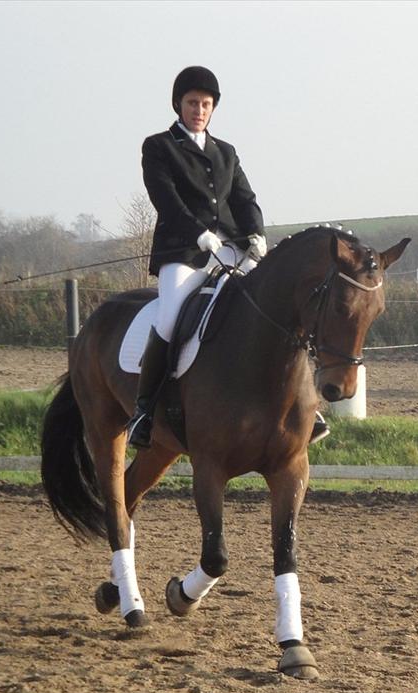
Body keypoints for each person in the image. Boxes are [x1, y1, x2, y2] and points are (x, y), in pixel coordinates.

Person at [128, 65, 329, 448]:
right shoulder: (159, 147)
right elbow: (165, 198)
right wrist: (198, 233)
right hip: (186, 252)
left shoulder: (226, 152)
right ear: (178, 104)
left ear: (212, 108)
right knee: (170, 317)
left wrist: (257, 234)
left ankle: (305, 405)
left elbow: (245, 199)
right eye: (192, 103)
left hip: (234, 249)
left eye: (205, 104)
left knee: (277, 305)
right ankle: (143, 409)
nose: (198, 110)